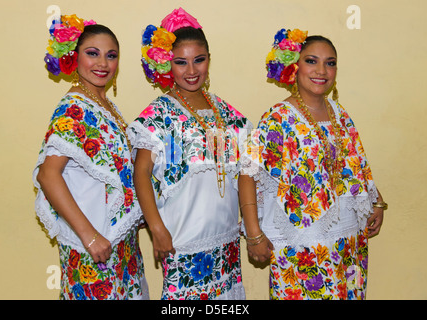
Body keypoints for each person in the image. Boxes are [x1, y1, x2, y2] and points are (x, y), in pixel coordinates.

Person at [241, 28, 385, 300]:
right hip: (302, 248)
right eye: (311, 61)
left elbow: (355, 165)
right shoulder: (279, 117)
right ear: (293, 66)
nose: (322, 70)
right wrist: (254, 235)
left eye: (330, 63)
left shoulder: (340, 115)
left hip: (347, 243)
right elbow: (247, 173)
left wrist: (376, 201)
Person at [130, 8, 250, 300]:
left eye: (199, 60)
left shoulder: (229, 115)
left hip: (226, 240)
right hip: (182, 239)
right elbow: (141, 172)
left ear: (209, 59)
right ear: (166, 66)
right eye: (180, 63)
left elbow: (248, 169)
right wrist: (157, 229)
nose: (192, 70)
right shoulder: (158, 115)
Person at [33, 14, 149, 300]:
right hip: (93, 248)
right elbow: (47, 175)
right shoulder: (73, 108)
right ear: (74, 57)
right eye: (92, 53)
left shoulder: (106, 105)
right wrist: (89, 236)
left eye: (111, 56)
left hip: (120, 245)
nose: (103, 63)